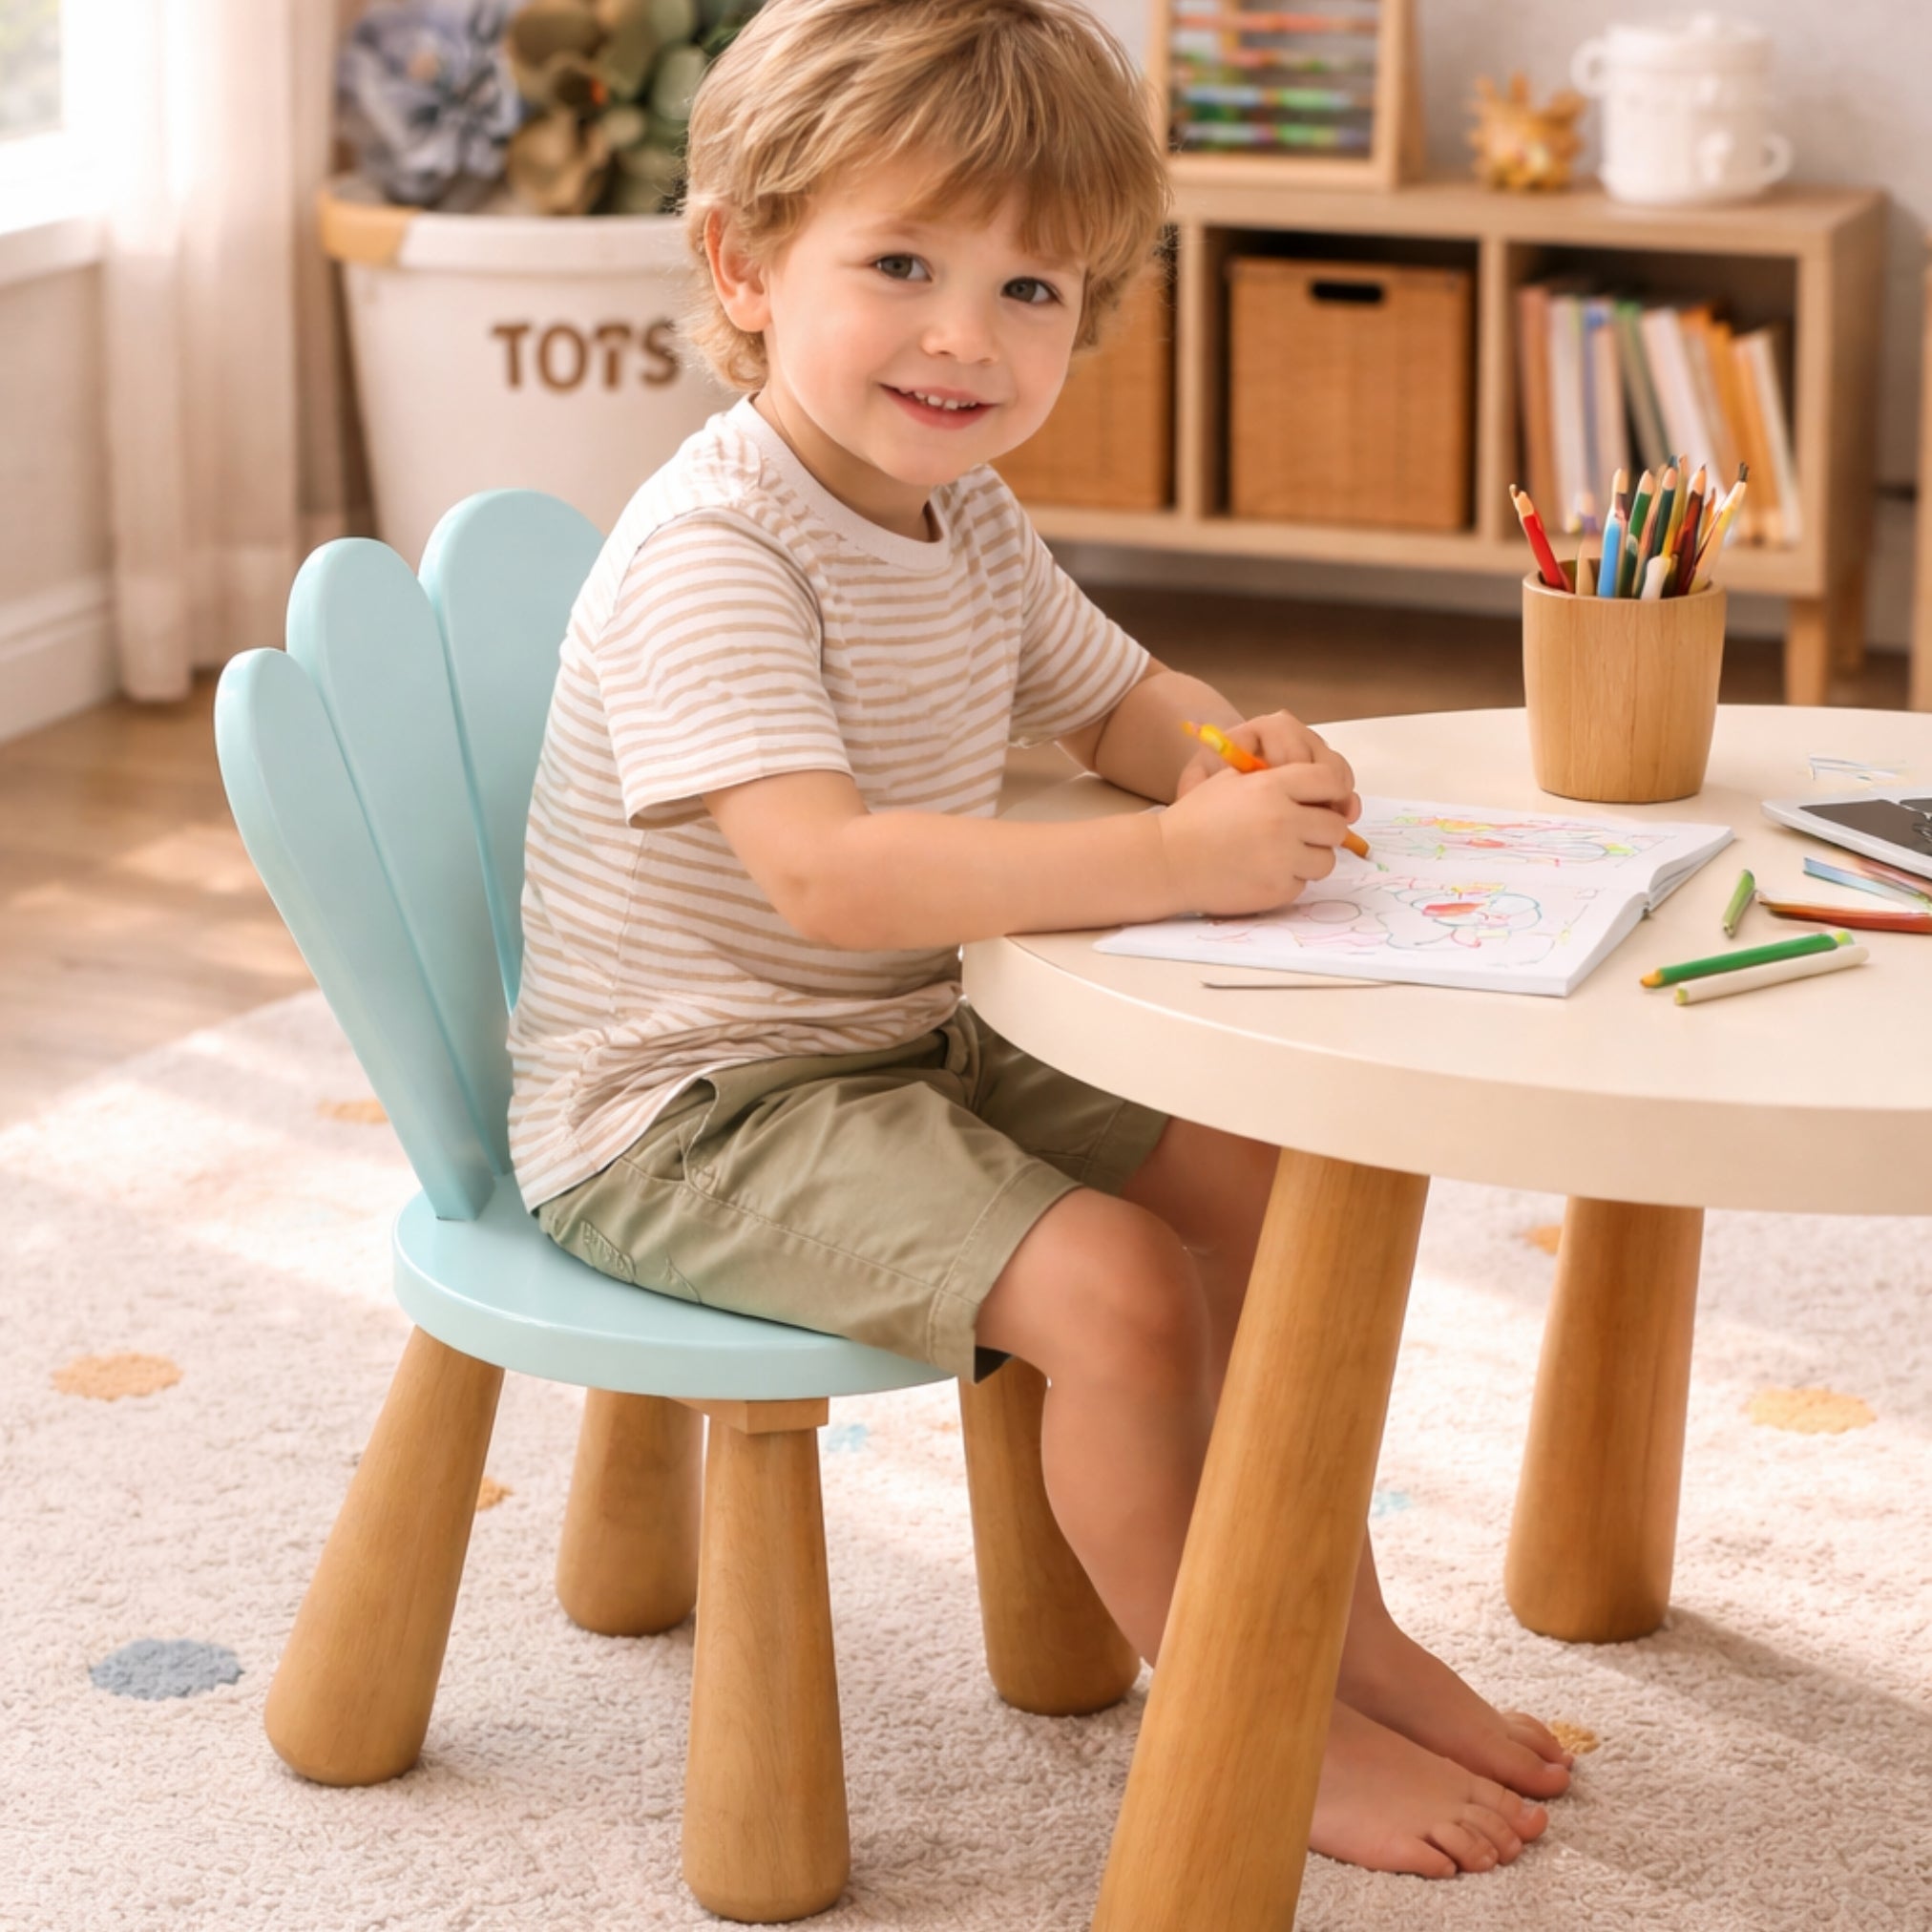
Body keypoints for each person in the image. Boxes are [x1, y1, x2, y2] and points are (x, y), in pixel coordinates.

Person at [510, 0, 1571, 1880]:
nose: (962, 335)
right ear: (741, 264)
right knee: (1115, 1288)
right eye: (901, 264)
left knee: (1264, 1176)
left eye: (1032, 291)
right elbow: (829, 882)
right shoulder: (717, 551)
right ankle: (1241, 1705)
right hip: (687, 1108)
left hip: (891, 1044)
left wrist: (1242, 756)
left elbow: (1116, 703)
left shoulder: (961, 517)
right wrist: (1177, 861)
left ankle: (1326, 1619)